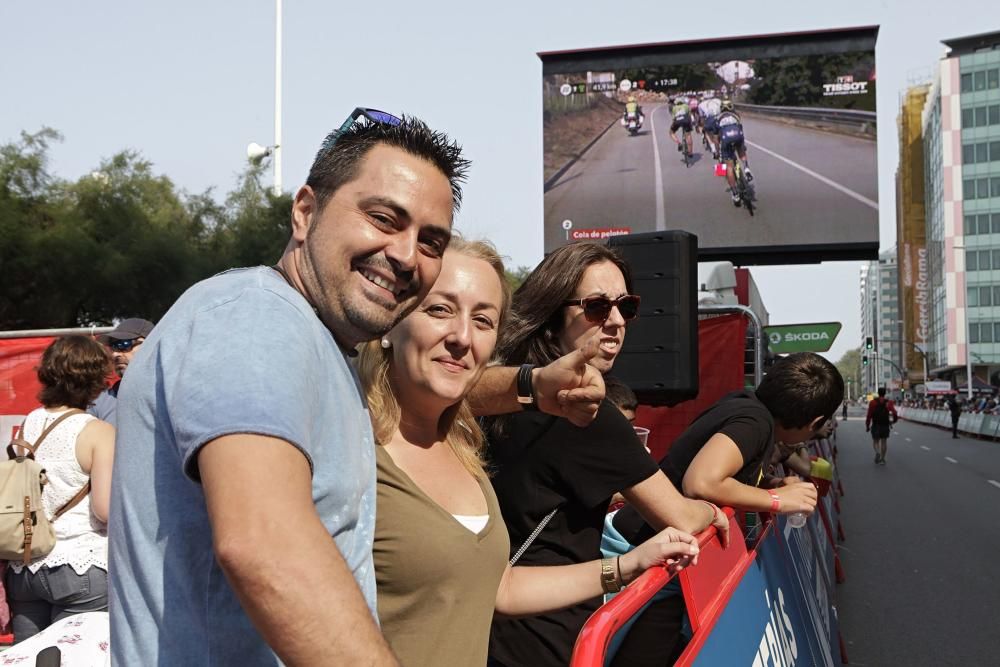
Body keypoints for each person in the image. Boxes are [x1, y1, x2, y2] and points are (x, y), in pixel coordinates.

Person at [108, 110, 607, 666]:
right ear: (305, 211)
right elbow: (264, 543)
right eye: (383, 218)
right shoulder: (257, 319)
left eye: (430, 240)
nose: (403, 254)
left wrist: (530, 386)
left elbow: (439, 383)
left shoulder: (323, 353)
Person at [356, 238, 700, 667]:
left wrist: (628, 564)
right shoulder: (348, 449)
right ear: (391, 319)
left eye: (483, 320)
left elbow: (501, 587)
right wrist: (732, 506)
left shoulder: (464, 449)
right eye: (440, 309)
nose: (462, 336)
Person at [486, 242, 729, 667]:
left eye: (626, 306)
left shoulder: (497, 392)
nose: (616, 322)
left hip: (485, 629)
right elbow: (682, 519)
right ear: (552, 313)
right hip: (547, 635)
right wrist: (712, 511)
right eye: (597, 307)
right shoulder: (588, 413)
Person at [6, 336, 116, 642]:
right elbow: (104, 510)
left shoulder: (30, 423)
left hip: (25, 564)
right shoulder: (99, 432)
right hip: (82, 563)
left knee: (27, 658)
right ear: (96, 380)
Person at [87, 317, 154, 426]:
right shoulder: (100, 402)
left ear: (150, 345)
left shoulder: (170, 396)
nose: (115, 354)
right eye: (113, 347)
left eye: (124, 344)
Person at [716, 99, 753, 205]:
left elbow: (716, 138)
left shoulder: (717, 118)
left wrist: (718, 153)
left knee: (728, 167)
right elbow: (741, 129)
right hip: (738, 136)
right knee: (741, 151)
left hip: (726, 140)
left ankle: (735, 193)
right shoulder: (736, 115)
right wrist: (742, 146)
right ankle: (746, 168)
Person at [865, 387, 898, 465]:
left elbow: (869, 415)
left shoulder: (872, 402)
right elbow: (895, 413)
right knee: (884, 441)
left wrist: (867, 425)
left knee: (875, 441)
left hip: (876, 424)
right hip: (885, 425)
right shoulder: (889, 402)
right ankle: (882, 459)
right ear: (885, 393)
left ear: (878, 393)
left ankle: (877, 452)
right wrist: (894, 421)